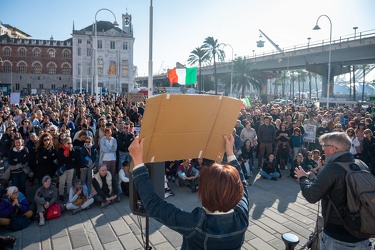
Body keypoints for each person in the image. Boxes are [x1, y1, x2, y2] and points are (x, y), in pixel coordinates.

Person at [129, 135, 249, 249]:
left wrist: (138, 162)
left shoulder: (196, 224)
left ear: (205, 193)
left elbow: (154, 205)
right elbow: (242, 183)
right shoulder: (242, 216)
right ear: (237, 192)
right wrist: (230, 153)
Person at [294, 132, 372, 249]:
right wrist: (321, 171)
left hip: (338, 237)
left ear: (334, 149)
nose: (322, 148)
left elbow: (311, 195)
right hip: (363, 232)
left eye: (325, 145)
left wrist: (302, 178)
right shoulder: (361, 164)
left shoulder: (331, 168)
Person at [57, 137, 79, 202]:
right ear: (64, 143)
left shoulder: (71, 150)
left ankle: (68, 193)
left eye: (71, 143)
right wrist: (70, 159)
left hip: (70, 167)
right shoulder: (61, 150)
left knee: (69, 181)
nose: (70, 144)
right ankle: (61, 194)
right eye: (68, 143)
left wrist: (71, 151)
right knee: (62, 182)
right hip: (63, 168)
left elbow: (74, 158)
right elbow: (61, 159)